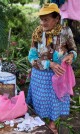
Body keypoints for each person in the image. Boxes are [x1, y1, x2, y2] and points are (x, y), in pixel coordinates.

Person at [26, 3, 77, 134]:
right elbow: (31, 57)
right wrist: (49, 64)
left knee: (55, 102)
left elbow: (73, 49)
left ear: (57, 19)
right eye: (41, 19)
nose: (43, 23)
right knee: (40, 102)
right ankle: (40, 125)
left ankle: (52, 125)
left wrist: (71, 56)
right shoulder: (37, 32)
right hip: (40, 76)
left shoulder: (65, 31)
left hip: (58, 76)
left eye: (46, 19)